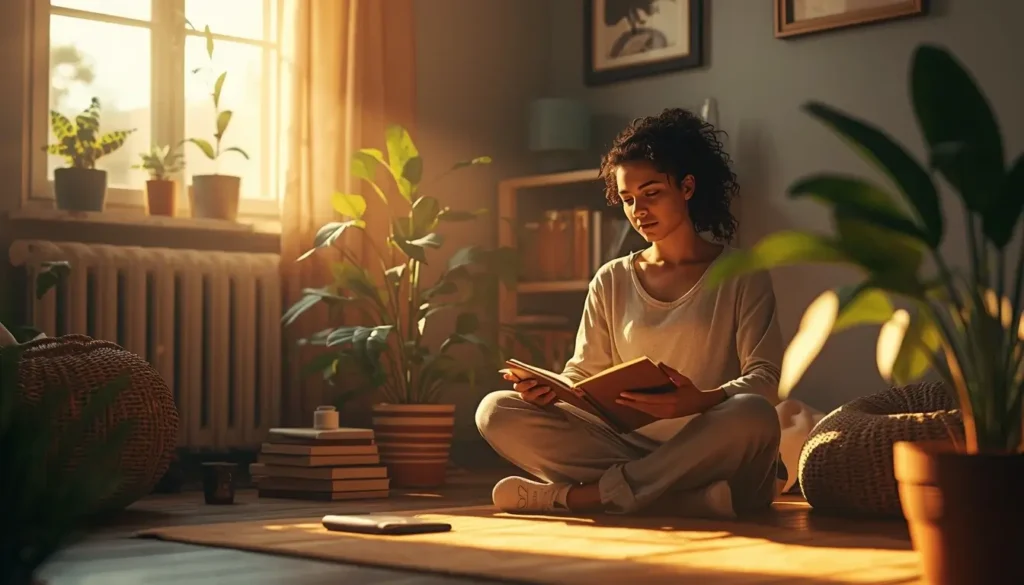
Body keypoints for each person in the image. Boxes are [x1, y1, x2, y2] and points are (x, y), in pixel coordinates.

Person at [475, 107, 785, 519]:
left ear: (687, 187)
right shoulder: (612, 279)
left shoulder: (741, 273)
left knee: (753, 412)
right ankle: (682, 500)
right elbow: (583, 375)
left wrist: (698, 401)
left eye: (652, 193)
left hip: (715, 450)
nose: (639, 209)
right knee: (496, 410)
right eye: (627, 199)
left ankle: (577, 498)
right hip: (626, 448)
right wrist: (552, 392)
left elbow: (765, 381)